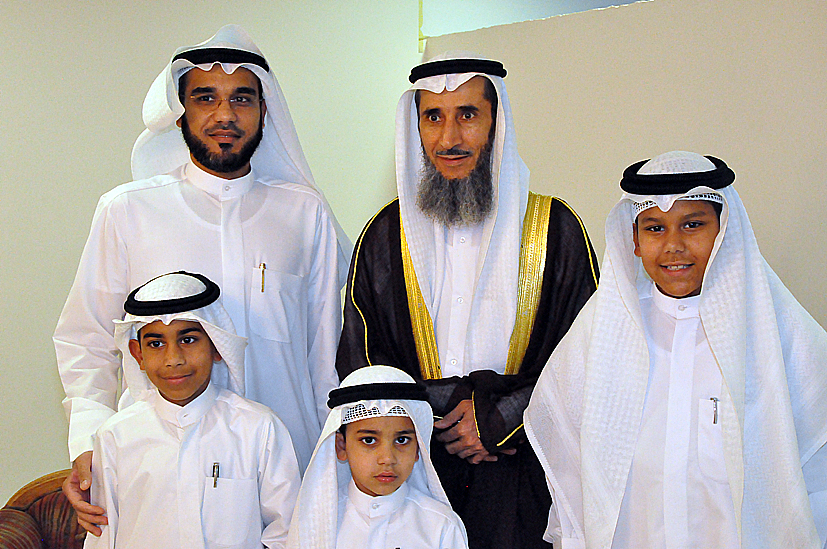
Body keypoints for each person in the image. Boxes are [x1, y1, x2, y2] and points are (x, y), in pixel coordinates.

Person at [54, 24, 349, 533]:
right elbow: (87, 339)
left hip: (290, 470)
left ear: (264, 110)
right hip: (158, 471)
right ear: (182, 112)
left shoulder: (305, 214)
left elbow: (327, 353)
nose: (224, 115)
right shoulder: (128, 211)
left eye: (242, 99)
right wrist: (88, 443)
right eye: (205, 97)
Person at [336, 53, 599, 548]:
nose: (449, 138)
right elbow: (361, 361)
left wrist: (500, 418)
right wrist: (447, 410)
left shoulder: (555, 229)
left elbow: (585, 359)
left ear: (496, 122)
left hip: (524, 479)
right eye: (433, 117)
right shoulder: (384, 235)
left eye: (468, 115)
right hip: (414, 481)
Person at [525, 151, 827, 549]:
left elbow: (815, 479)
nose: (673, 246)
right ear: (633, 239)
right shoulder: (597, 338)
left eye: (692, 225)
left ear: (724, 230)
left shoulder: (782, 336)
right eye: (654, 228)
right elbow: (569, 477)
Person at [83, 271, 301, 549]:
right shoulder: (116, 436)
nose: (173, 359)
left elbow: (287, 533)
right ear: (138, 354)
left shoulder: (258, 428)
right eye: (156, 344)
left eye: (188, 340)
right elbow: (103, 536)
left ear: (217, 346)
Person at [287, 365, 468, 549]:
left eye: (402, 440)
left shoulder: (440, 526)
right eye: (369, 440)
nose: (387, 458)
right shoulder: (316, 523)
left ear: (417, 450)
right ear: (342, 446)